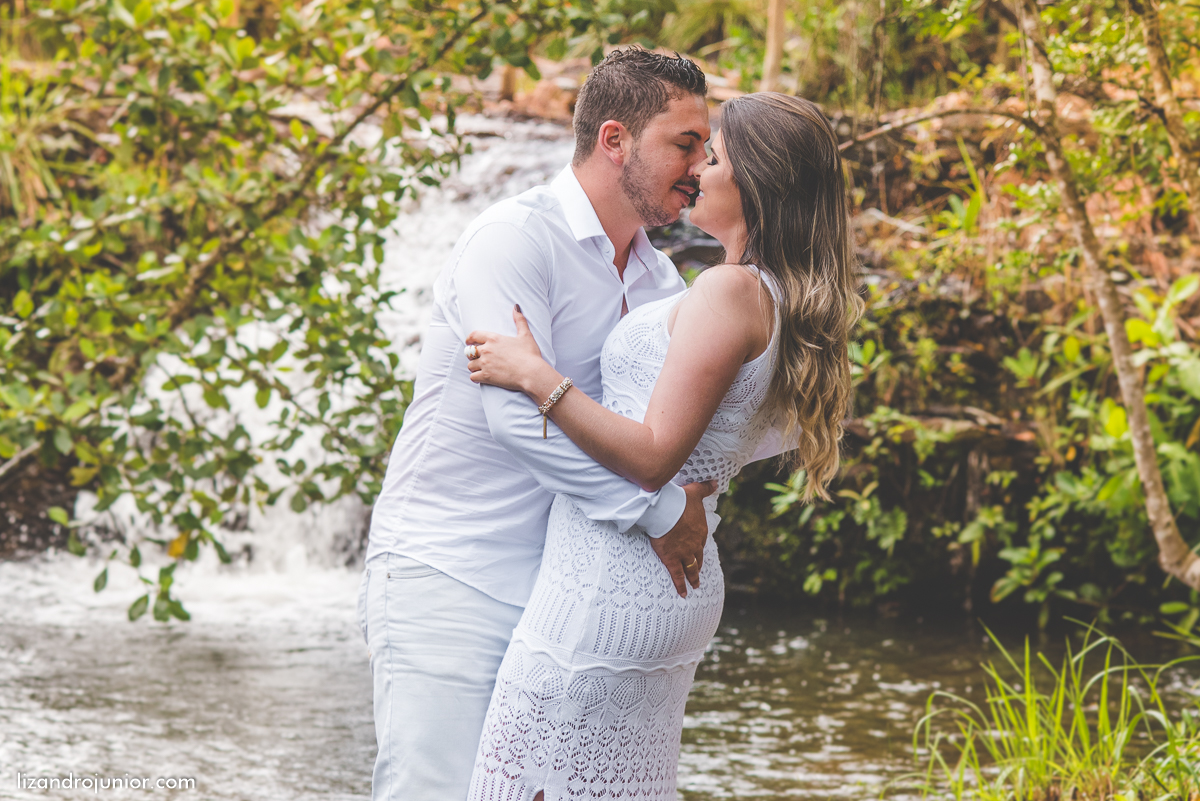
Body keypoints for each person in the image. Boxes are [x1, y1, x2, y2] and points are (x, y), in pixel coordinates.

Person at [461, 92, 862, 800]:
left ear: (756, 182)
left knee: (526, 784)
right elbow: (741, 435)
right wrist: (703, 481)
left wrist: (537, 376)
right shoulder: (774, 297)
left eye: (716, 156)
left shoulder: (727, 292)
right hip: (666, 577)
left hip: (610, 581)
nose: (698, 167)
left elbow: (651, 456)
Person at [359, 48, 723, 801]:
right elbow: (514, 420)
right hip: (450, 573)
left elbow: (654, 428)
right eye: (684, 144)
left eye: (705, 147)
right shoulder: (513, 239)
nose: (700, 164)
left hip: (563, 595)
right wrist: (657, 510)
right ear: (615, 139)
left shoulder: (661, 280)